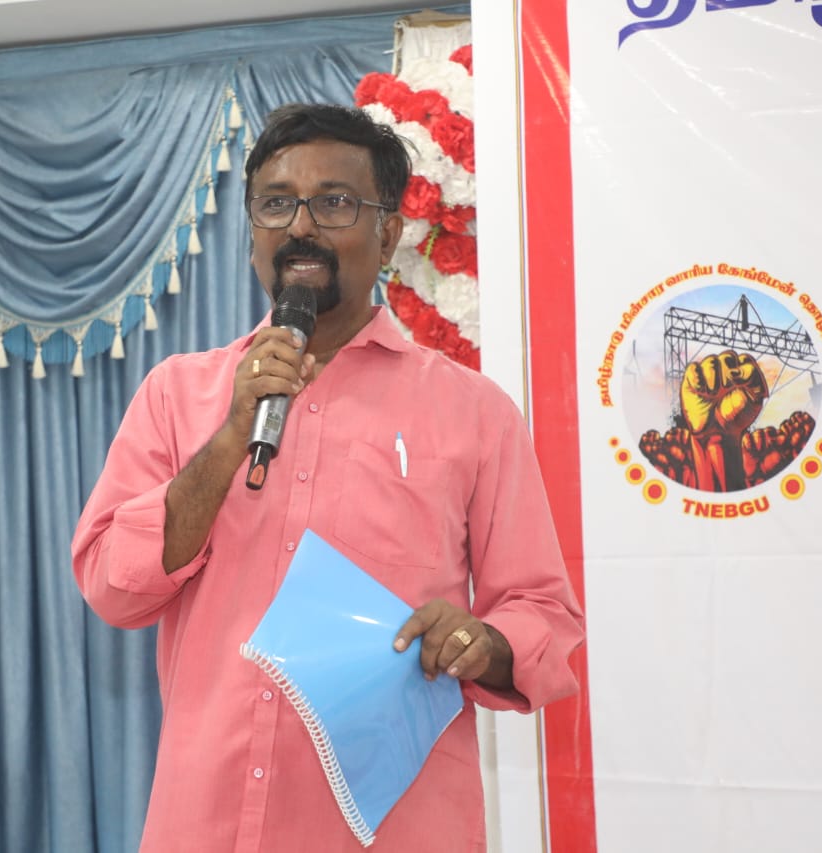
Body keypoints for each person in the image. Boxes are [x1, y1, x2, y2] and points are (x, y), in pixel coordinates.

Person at [72, 102, 584, 852]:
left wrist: (485, 640)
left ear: (389, 233)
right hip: (207, 822)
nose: (301, 226)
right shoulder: (178, 393)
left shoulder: (475, 411)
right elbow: (113, 586)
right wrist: (230, 436)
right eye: (276, 203)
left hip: (399, 829)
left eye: (334, 202)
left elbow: (543, 612)